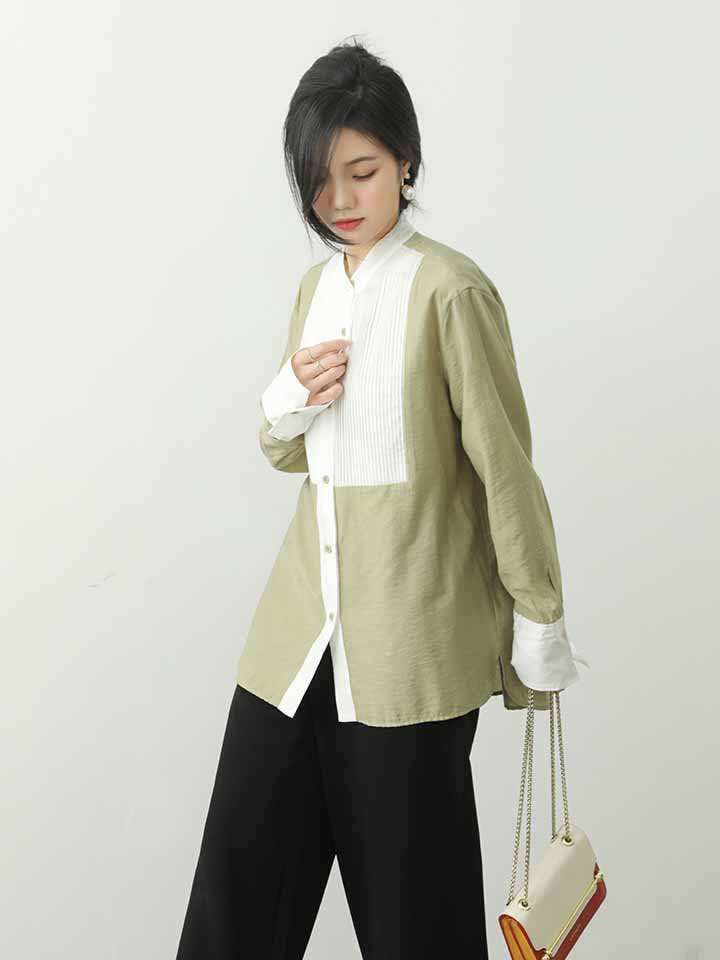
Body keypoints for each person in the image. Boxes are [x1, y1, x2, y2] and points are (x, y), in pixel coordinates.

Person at [175, 36, 590, 960]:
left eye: (360, 172)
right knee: (233, 910)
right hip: (293, 648)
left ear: (405, 160)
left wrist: (538, 615)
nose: (340, 200)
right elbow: (290, 452)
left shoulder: (451, 291)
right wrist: (286, 396)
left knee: (418, 927)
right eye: (318, 181)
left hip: (409, 653)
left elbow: (505, 469)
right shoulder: (314, 289)